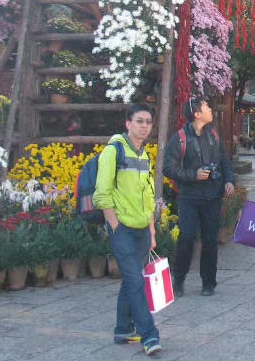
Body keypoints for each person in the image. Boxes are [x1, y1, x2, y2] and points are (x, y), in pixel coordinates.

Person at [93, 104, 162, 356]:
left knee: (131, 281)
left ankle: (123, 329)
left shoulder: (144, 155)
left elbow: (149, 197)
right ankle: (149, 335)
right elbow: (102, 194)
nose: (144, 126)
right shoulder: (113, 151)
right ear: (128, 123)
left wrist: (151, 230)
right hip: (122, 228)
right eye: (139, 121)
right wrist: (115, 225)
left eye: (148, 122)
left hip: (142, 229)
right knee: (136, 282)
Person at [163, 96, 235, 298]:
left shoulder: (213, 135)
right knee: (186, 238)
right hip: (189, 197)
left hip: (213, 196)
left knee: (210, 240)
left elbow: (224, 160)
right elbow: (168, 168)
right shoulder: (179, 139)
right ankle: (178, 279)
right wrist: (193, 175)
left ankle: (208, 282)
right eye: (206, 107)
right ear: (197, 114)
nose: (210, 109)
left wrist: (229, 180)